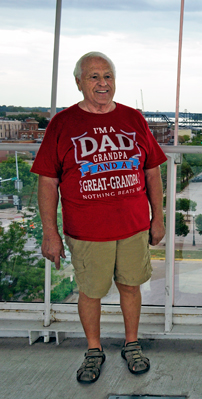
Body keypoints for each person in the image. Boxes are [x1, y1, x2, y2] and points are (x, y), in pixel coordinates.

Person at [32, 51, 167, 384]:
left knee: (131, 287)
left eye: (108, 76)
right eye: (94, 77)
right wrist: (50, 232)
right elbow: (48, 181)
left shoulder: (134, 118)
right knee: (90, 292)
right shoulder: (62, 124)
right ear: (78, 82)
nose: (103, 83)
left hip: (133, 226)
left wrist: (158, 218)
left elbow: (152, 171)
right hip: (87, 230)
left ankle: (131, 344)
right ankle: (94, 351)